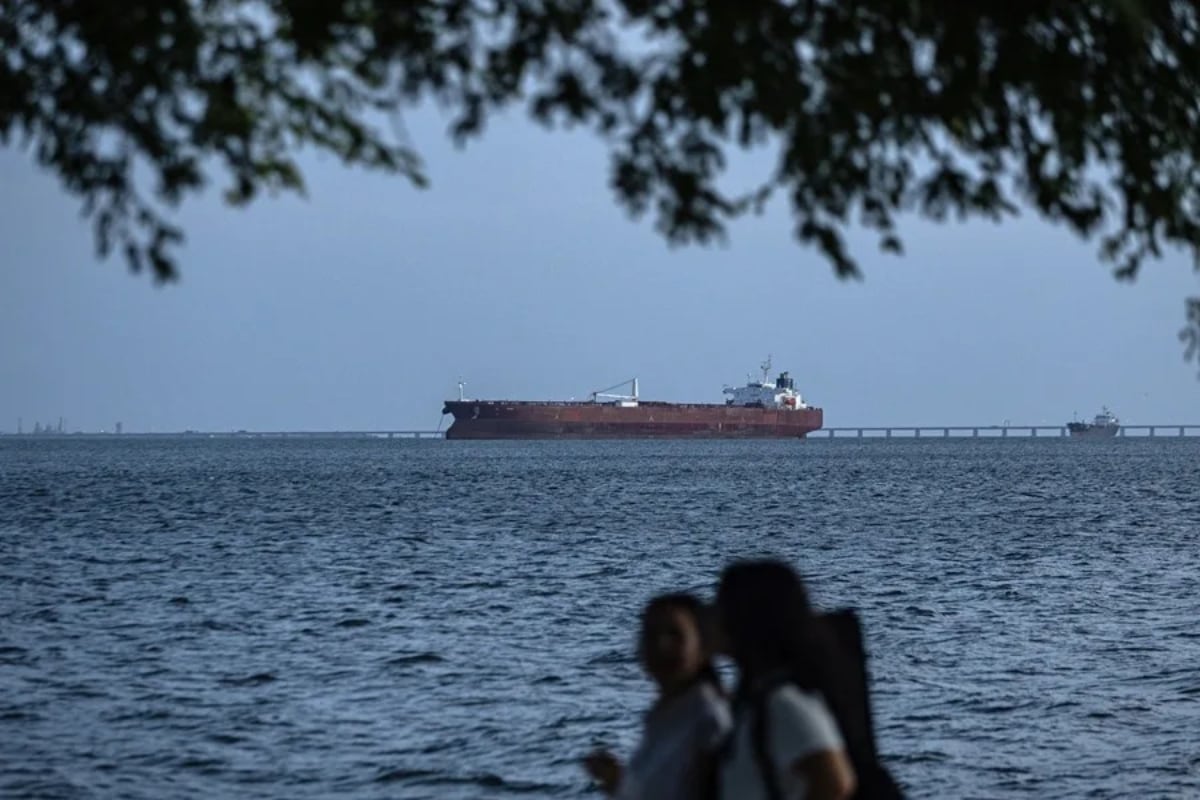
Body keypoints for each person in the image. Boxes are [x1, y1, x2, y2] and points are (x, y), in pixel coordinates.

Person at [715, 559, 857, 800]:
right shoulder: (752, 702)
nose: (711, 618)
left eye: (721, 608)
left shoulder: (783, 704)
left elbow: (835, 782)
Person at [584, 593, 731, 799]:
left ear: (704, 646)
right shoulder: (664, 717)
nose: (661, 645)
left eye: (675, 635)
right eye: (651, 635)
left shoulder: (710, 722)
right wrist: (617, 783)